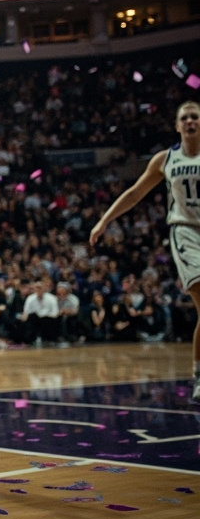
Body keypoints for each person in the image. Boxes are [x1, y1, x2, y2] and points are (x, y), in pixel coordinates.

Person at [90, 101, 200, 401]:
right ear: (178, 126)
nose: (190, 121)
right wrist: (104, 220)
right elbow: (135, 193)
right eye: (185, 118)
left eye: (195, 117)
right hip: (186, 231)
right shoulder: (167, 159)